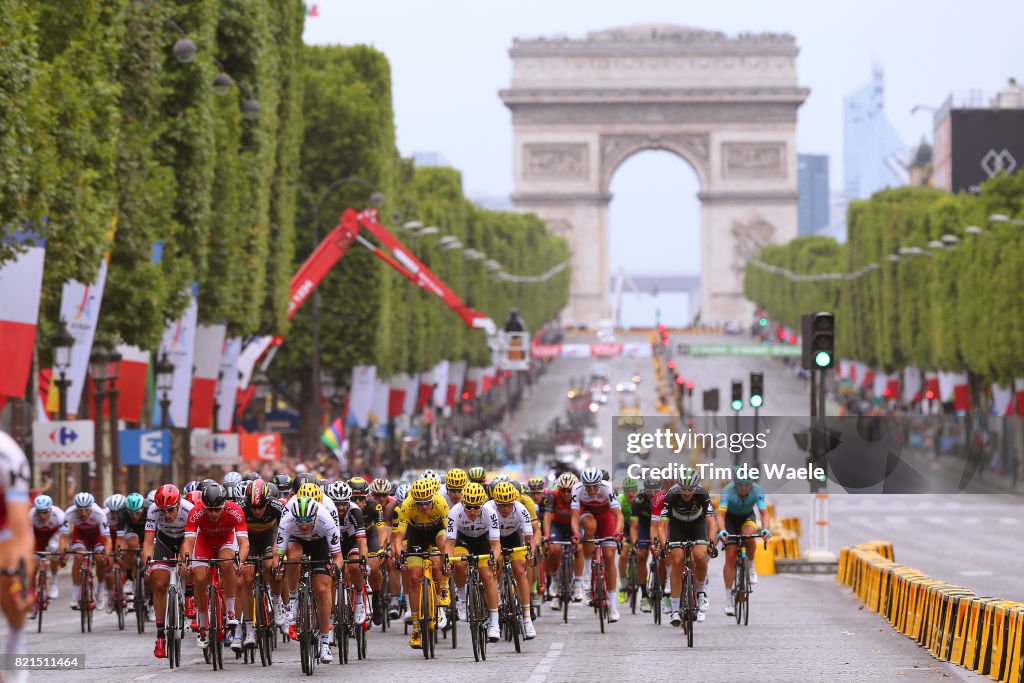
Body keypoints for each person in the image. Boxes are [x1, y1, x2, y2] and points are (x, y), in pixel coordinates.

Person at [181, 483, 249, 651]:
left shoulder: (235, 510)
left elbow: (244, 543)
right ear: (204, 506)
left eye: (217, 509)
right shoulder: (196, 511)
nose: (212, 513)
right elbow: (188, 542)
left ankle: (231, 612)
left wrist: (239, 560)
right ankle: (203, 626)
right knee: (199, 578)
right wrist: (187, 560)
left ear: (224, 505)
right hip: (204, 542)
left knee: (227, 563)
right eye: (209, 509)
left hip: (226, 540)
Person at [276, 495, 343, 663]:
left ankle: (325, 643)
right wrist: (277, 566)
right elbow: (278, 554)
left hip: (320, 543)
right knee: (293, 556)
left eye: (307, 521)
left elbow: (338, 557)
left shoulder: (326, 520)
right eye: (300, 521)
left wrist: (335, 567)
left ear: (315, 516)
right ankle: (293, 598)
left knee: (322, 589)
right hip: (296, 541)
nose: (304, 525)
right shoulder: (287, 521)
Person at [653, 468, 719, 626]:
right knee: (677, 560)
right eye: (683, 488)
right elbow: (662, 527)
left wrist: (711, 542)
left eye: (690, 489)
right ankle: (675, 610)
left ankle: (701, 593)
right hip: (678, 526)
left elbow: (711, 521)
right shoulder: (672, 494)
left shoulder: (702, 493)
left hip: (697, 524)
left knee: (701, 555)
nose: (686, 493)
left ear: (696, 487)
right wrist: (665, 546)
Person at [391, 478, 450, 650]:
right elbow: (398, 536)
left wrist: (447, 555)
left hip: (436, 530)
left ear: (432, 498)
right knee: (414, 578)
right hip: (416, 534)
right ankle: (416, 628)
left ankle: (443, 591)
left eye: (426, 502)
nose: (423, 506)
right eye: (420, 503)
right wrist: (399, 553)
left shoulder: (440, 502)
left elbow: (450, 532)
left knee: (441, 557)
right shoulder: (407, 506)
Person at [446, 482, 502, 642]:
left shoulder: (490, 513)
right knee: (459, 563)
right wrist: (447, 560)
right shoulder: (454, 512)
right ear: (462, 503)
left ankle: (494, 623)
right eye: (468, 507)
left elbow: (496, 544)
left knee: (487, 574)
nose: (472, 511)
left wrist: (494, 558)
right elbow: (449, 544)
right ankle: (462, 599)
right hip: (463, 541)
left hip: (483, 541)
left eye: (476, 507)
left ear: (482, 505)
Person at [145, 484, 193, 659]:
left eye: (171, 510)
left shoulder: (189, 510)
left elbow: (191, 541)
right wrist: (147, 563)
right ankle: (160, 636)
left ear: (179, 504)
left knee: (188, 565)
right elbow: (148, 542)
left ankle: (189, 594)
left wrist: (185, 560)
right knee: (158, 582)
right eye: (162, 510)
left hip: (185, 540)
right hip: (164, 542)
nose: (166, 514)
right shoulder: (152, 510)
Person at [569, 467, 624, 623]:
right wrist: (575, 534)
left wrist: (618, 532)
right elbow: (574, 517)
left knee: (609, 556)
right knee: (590, 527)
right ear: (583, 484)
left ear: (600, 483)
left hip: (606, 515)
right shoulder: (577, 489)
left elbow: (617, 515)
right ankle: (587, 573)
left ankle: (612, 605)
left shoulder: (607, 488)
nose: (592, 489)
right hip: (587, 513)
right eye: (588, 486)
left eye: (595, 486)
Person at [716, 467, 771, 616]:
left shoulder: (757, 490)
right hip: (729, 520)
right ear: (735, 483)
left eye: (747, 485)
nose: (744, 488)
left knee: (749, 536)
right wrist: (722, 530)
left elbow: (764, 513)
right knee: (731, 553)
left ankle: (751, 566)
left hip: (747, 517)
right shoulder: (727, 491)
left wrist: (765, 529)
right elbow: (720, 515)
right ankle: (728, 600)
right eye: (740, 485)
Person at [0, 431, 33, 667]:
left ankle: (15, 643)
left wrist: (20, 580)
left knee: (5, 568)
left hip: (5, 515)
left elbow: (20, 533)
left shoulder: (8, 454)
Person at [238, 479, 285, 644]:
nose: (257, 511)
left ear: (267, 501)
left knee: (270, 566)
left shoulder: (276, 506)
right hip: (249, 539)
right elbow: (236, 535)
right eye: (253, 507)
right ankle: (249, 628)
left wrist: (275, 553)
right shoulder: (241, 508)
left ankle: (277, 601)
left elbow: (284, 531)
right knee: (247, 578)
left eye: (260, 507)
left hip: (269, 537)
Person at [491, 481, 537, 639]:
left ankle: (527, 618)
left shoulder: (521, 509)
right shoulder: (488, 509)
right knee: (495, 566)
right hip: (494, 540)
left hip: (513, 538)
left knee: (519, 570)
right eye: (501, 505)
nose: (505, 509)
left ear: (514, 502)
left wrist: (530, 553)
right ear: (495, 502)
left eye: (508, 505)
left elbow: (529, 538)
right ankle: (496, 591)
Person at [60, 492, 112, 611]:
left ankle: (100, 592)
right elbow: (63, 538)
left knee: (100, 559)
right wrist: (63, 554)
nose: (83, 513)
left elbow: (107, 540)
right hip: (80, 535)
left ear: (91, 507)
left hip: (96, 536)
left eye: (86, 510)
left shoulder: (99, 513)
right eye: (80, 510)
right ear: (76, 508)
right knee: (78, 557)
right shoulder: (69, 513)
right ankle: (75, 594)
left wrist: (106, 556)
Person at [542, 472, 578, 610]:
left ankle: (578, 583)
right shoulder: (553, 495)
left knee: (579, 548)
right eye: (563, 490)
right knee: (554, 549)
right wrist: (547, 536)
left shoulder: (578, 495)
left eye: (570, 490)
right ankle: (555, 579)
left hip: (574, 524)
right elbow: (547, 517)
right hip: (557, 525)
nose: (566, 493)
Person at [30, 495, 65, 600]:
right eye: (39, 512)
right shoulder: (30, 515)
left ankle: (53, 582)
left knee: (54, 547)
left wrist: (63, 555)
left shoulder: (59, 514)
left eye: (45, 512)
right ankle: (32, 594)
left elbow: (64, 538)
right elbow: (28, 538)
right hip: (37, 536)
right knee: (32, 568)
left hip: (53, 534)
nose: (42, 516)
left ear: (50, 509)